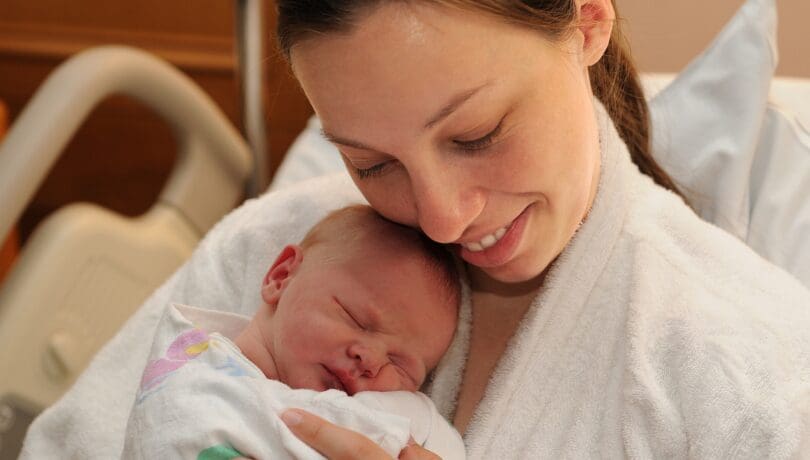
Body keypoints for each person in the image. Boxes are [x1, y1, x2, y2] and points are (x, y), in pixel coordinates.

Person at [270, 0, 810, 458]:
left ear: (589, 22)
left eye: (477, 135)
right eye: (372, 165)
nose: (442, 220)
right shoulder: (269, 245)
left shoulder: (750, 378)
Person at [121, 205, 465, 459]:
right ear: (281, 276)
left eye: (401, 365)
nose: (371, 360)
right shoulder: (193, 385)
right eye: (355, 318)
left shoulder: (394, 422)